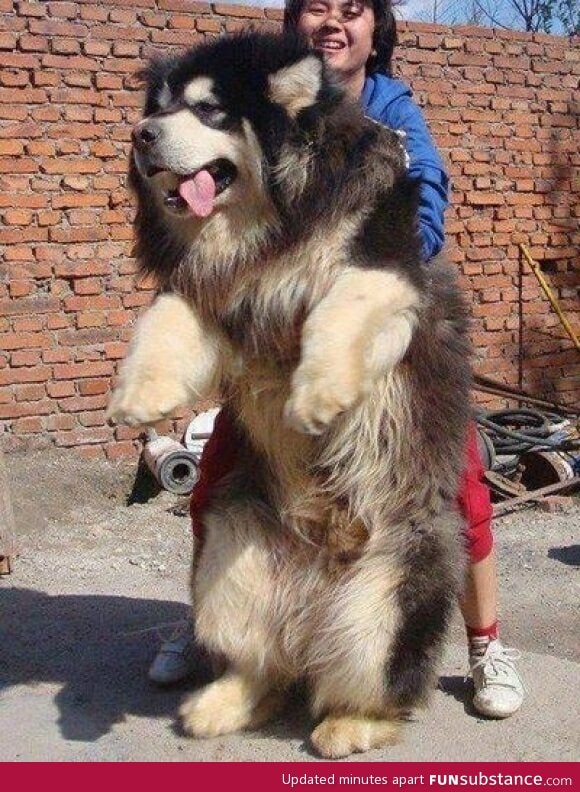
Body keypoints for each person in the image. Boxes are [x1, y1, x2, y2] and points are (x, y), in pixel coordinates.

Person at [149, 0, 525, 719]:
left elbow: (423, 208)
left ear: (374, 30)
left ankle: (485, 645)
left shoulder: (391, 111)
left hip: (382, 341)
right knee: (218, 485)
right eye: (315, 8)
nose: (332, 23)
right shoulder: (256, 105)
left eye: (350, 11)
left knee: (460, 488)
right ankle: (221, 634)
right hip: (272, 348)